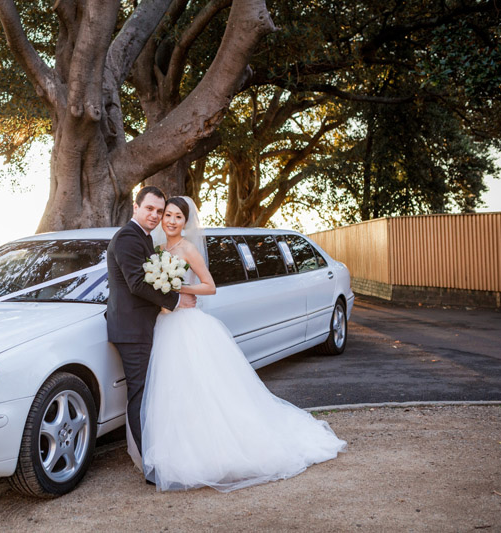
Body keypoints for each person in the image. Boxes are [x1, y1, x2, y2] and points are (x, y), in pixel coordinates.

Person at [140, 196, 347, 492]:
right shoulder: (157, 250)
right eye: (168, 215)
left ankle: (211, 451)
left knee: (203, 389)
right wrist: (165, 294)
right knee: (173, 391)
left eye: (178, 217)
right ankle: (175, 452)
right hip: (165, 326)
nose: (171, 221)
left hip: (188, 326)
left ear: (186, 222)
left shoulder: (188, 249)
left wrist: (178, 288)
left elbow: (209, 286)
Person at [106, 186, 197, 480]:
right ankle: (152, 467)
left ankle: (154, 457)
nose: (156, 216)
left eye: (160, 211)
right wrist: (176, 300)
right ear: (136, 207)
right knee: (140, 395)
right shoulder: (128, 238)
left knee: (146, 393)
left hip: (141, 326)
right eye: (151, 209)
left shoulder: (144, 239)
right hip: (132, 330)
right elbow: (136, 284)